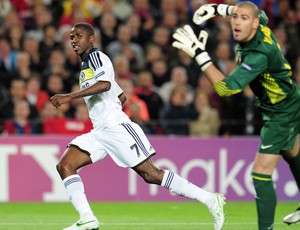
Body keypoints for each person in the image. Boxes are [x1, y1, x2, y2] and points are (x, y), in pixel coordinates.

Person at [50, 22, 226, 230]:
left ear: (91, 38)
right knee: (65, 165)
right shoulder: (85, 68)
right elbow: (120, 95)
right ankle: (87, 218)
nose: (74, 41)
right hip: (100, 131)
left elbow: (105, 84)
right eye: (71, 37)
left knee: (151, 174)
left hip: (116, 127)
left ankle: (209, 199)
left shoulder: (98, 57)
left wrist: (70, 96)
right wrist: (109, 107)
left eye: (78, 36)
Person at [172, 2, 300, 229]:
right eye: (235, 17)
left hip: (282, 112)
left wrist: (200, 54)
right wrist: (218, 9)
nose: (237, 22)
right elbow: (251, 12)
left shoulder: (259, 54)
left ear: (254, 24)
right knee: (292, 152)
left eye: (243, 19)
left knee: (260, 173)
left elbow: (226, 89)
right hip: (287, 101)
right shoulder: (259, 25)